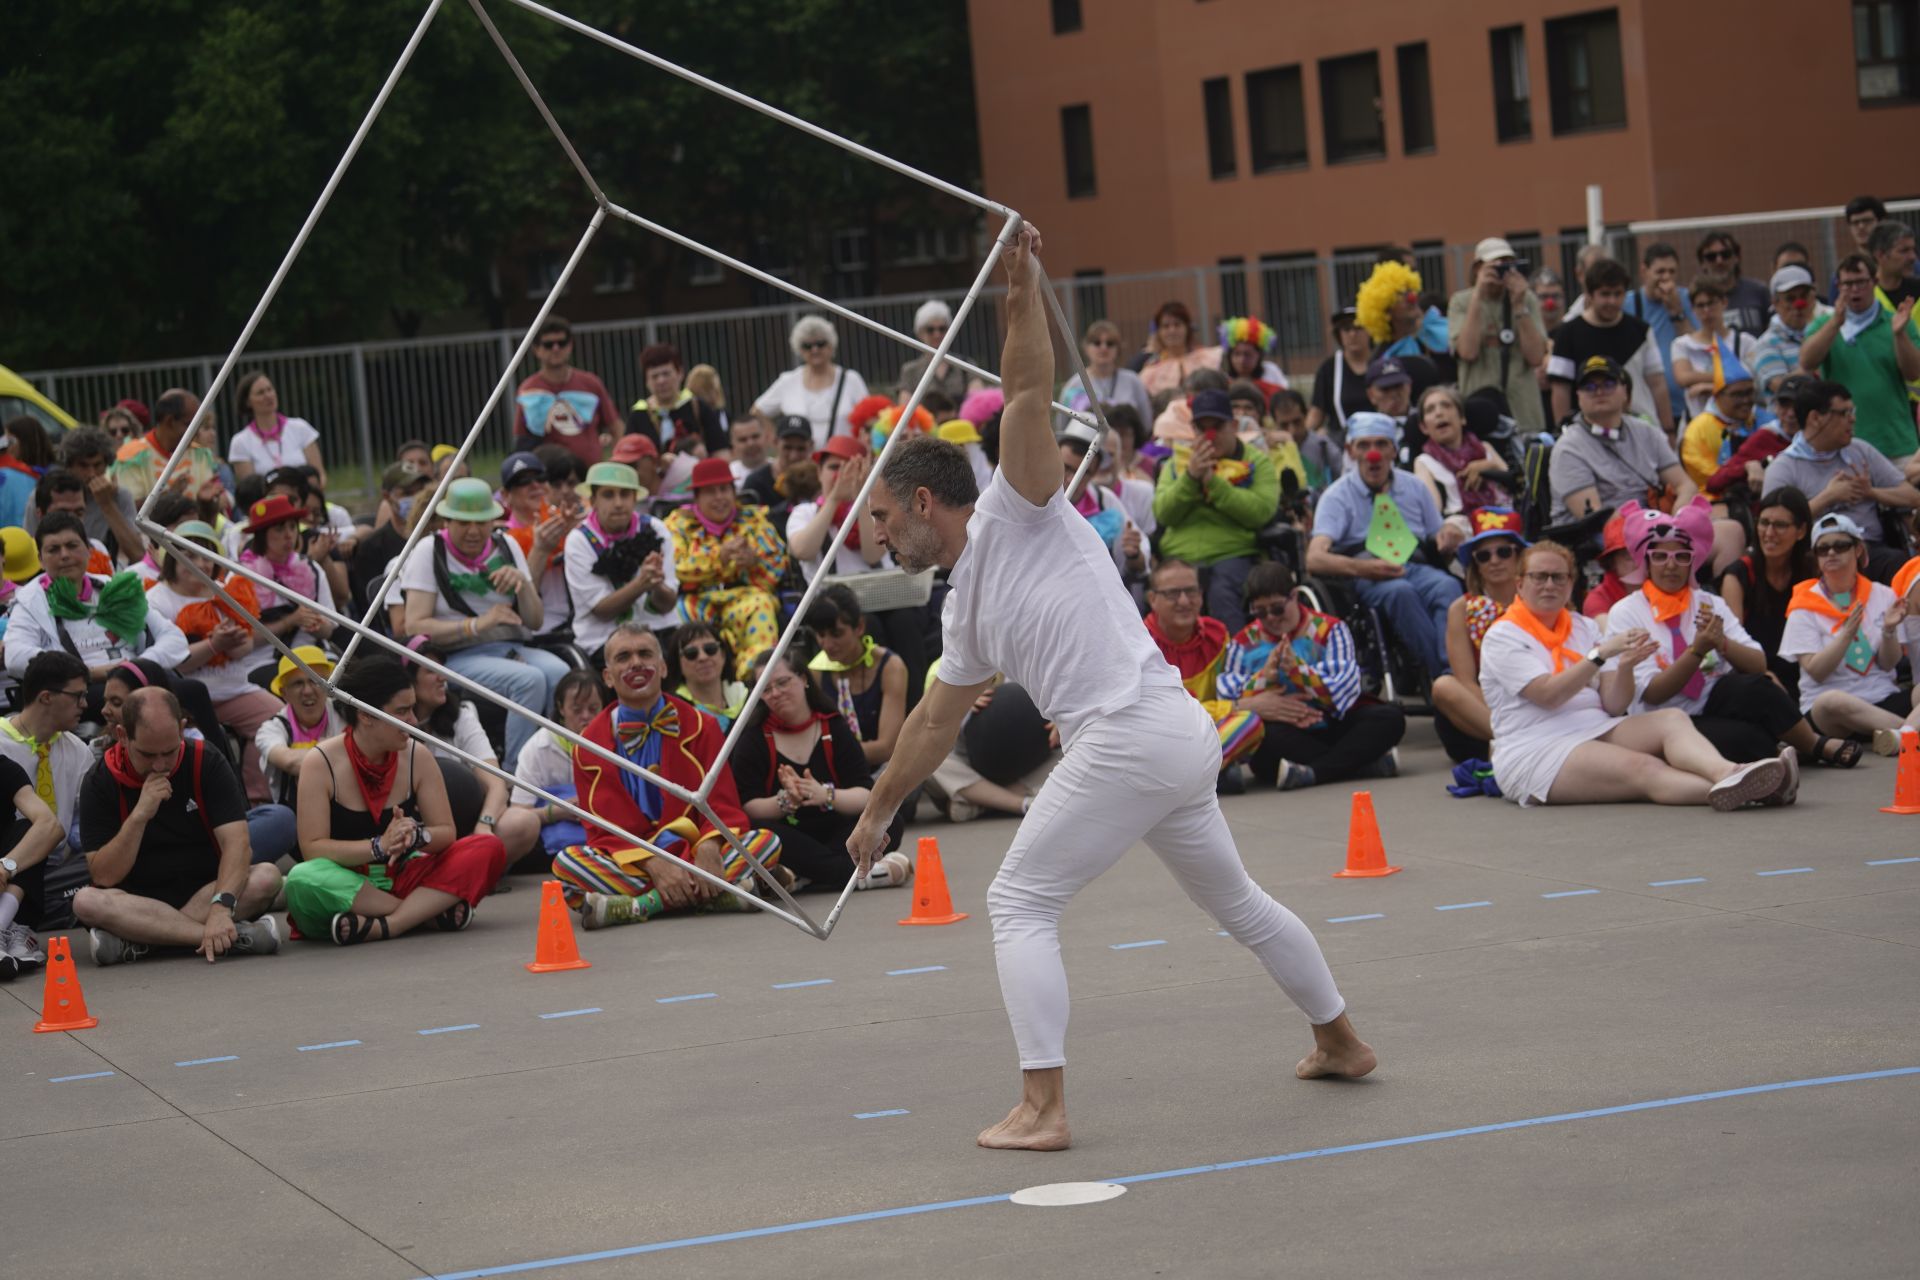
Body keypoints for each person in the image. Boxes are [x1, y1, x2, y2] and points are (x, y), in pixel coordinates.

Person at [851, 224, 1374, 1153]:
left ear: (927, 502)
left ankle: (1043, 1109)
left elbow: (1024, 389)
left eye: (885, 517)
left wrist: (1020, 279)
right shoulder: (962, 604)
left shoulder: (1021, 506)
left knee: (1018, 903)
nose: (880, 537)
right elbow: (935, 718)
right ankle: (1339, 1040)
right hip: (1167, 737)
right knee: (1240, 904)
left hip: (1136, 731)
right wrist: (880, 808)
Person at [1478, 541, 1791, 809]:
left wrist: (1625, 665)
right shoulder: (1503, 635)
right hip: (1537, 746)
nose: (1549, 584)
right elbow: (1548, 694)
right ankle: (1754, 793)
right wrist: (1600, 655)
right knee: (1643, 767)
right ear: (1520, 584)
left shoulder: (1582, 626)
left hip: (1596, 726)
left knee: (1671, 719)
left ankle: (1728, 772)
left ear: (1571, 583)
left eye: (1558, 577)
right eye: (1539, 576)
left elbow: (1614, 705)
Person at [552, 624, 785, 929]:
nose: (636, 662)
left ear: (662, 668)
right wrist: (653, 862)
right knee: (566, 863)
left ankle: (640, 906)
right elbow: (601, 831)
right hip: (635, 862)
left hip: (694, 849)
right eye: (623, 657)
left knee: (766, 843)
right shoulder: (587, 746)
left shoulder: (704, 726)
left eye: (645, 654)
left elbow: (723, 805)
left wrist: (709, 847)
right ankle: (718, 895)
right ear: (608, 677)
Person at [1605, 499, 1847, 767]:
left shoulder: (1708, 602)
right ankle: (1776, 753)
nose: (1671, 565)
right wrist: (1697, 651)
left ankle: (1813, 744)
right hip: (1663, 716)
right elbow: (1652, 693)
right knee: (1747, 740)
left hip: (1711, 698)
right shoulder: (1626, 612)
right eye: (1660, 557)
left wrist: (1721, 643)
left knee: (1759, 686)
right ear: (1646, 563)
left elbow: (1757, 663)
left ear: (1692, 562)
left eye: (1681, 556)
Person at [285, 656, 506, 945]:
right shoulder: (320, 762)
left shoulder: (417, 754)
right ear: (366, 715)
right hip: (348, 884)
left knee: (488, 847)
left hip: (404, 876)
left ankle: (390, 925)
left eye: (413, 709)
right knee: (302, 879)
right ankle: (426, 914)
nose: (414, 721)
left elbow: (445, 832)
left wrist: (415, 836)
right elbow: (313, 850)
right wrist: (379, 846)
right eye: (403, 712)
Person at [73, 687, 283, 965]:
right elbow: (104, 875)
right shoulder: (100, 780)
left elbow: (237, 846)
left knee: (267, 876)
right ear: (122, 736)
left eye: (169, 752)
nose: (160, 765)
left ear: (182, 729)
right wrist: (139, 816)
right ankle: (222, 938)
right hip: (138, 899)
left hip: (206, 891)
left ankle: (146, 941)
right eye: (148, 755)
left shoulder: (206, 760)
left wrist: (221, 908)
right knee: (86, 901)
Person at [399, 477, 570, 768]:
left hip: (510, 647)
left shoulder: (507, 545)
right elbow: (413, 626)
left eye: (481, 522)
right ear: (447, 521)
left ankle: (555, 765)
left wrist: (523, 584)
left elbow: (535, 620)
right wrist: (477, 625)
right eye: (464, 522)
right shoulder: (429, 550)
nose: (474, 531)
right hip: (453, 655)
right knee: (529, 681)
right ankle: (516, 774)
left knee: (561, 672)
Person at [730, 644, 907, 892]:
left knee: (890, 821)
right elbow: (747, 805)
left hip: (837, 830)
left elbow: (866, 793)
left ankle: (805, 877)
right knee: (762, 834)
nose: (776, 693)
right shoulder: (753, 737)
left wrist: (826, 795)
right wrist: (785, 801)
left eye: (782, 683)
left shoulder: (832, 726)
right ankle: (857, 874)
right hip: (791, 834)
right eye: (766, 689)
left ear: (803, 679)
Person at [1218, 561, 1405, 790]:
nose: (1271, 618)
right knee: (1265, 743)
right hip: (1285, 731)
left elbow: (1344, 690)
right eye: (1260, 611)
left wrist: (1299, 673)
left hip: (1332, 721)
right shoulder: (1243, 643)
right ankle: (1360, 764)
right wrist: (1264, 679)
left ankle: (1316, 772)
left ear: (1294, 596)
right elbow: (1227, 697)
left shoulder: (1330, 629)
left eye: (1277, 608)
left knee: (1390, 718)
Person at [1307, 412, 1462, 682]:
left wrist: (1449, 533)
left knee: (1449, 587)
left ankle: (1454, 668)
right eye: (1364, 445)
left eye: (1381, 444)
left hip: (1416, 566)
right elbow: (1314, 558)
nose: (1373, 454)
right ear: (1350, 451)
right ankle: (1443, 679)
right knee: (1401, 593)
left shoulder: (1414, 487)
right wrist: (1363, 568)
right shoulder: (1337, 496)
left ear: (1393, 449)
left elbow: (1439, 531)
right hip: (1369, 576)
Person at [143, 520, 282, 802]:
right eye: (189, 555)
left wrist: (234, 643)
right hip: (184, 698)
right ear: (171, 558)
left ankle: (257, 797)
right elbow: (171, 662)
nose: (199, 564)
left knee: (278, 719)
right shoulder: (155, 600)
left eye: (206, 555)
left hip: (234, 690)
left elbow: (245, 648)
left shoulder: (225, 591)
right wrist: (213, 644)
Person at [5, 514, 189, 697]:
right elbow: (15, 657)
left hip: (135, 677)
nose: (64, 555)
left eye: (72, 546)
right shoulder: (29, 601)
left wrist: (136, 667)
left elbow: (174, 639)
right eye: (53, 549)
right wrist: (84, 672)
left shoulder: (112, 588)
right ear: (40, 559)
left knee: (193, 691)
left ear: (88, 550)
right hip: (81, 690)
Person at [1780, 513, 1920, 750]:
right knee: (1832, 702)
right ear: (1816, 558)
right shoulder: (1803, 604)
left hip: (1881, 698)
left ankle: (1901, 735)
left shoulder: (1882, 594)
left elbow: (1888, 664)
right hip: (1834, 712)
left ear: (1857, 550)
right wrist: (1846, 635)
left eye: (1840, 546)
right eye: (1823, 549)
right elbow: (1816, 671)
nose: (1831, 553)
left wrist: (1888, 630)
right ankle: (1910, 733)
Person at [1762, 379, 1920, 581]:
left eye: (1851, 412)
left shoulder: (1860, 450)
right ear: (1815, 418)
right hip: (1819, 553)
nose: (1852, 420)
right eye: (1844, 413)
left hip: (1870, 549)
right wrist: (1828, 497)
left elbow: (1913, 497)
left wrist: (1871, 492)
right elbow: (1773, 525)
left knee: (1903, 567)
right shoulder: (1783, 467)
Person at [404, 642, 542, 869]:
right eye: (430, 670)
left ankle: (459, 873)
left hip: (469, 829)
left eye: (442, 669)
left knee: (524, 822)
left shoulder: (462, 715)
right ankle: (462, 874)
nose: (442, 677)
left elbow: (496, 783)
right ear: (409, 679)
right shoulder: (391, 723)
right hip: (422, 835)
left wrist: (484, 825)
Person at [1151, 388, 1279, 632]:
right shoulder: (1178, 463)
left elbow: (1261, 511)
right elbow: (1163, 512)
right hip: (1181, 556)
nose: (1210, 436)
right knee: (1171, 595)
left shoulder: (1257, 462)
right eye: (1202, 428)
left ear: (1233, 425)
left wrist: (1214, 483)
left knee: (1222, 593)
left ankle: (1231, 661)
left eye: (1217, 427)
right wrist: (1190, 478)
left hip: (1232, 554)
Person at [1140, 559, 1263, 779]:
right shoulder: (1138, 643)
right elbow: (1160, 714)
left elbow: (1234, 690)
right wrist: (1232, 706)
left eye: (1191, 591)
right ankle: (1208, 775)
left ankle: (1189, 778)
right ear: (1152, 599)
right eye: (1172, 594)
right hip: (1160, 738)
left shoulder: (1217, 636)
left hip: (1204, 734)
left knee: (1250, 723)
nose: (1184, 601)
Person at [0, 652, 90, 954]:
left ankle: (16, 926)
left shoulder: (79, 751)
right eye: (77, 696)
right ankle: (17, 925)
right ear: (46, 697)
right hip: (6, 862)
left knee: (99, 869)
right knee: (27, 828)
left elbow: (78, 832)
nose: (85, 706)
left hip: (51, 871)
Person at [666, 457, 787, 678]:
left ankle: (754, 679)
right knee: (682, 616)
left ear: (734, 492)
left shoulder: (753, 519)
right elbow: (675, 569)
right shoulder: (678, 524)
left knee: (761, 605)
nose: (719, 497)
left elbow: (777, 564)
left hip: (744, 596)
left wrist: (754, 562)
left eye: (725, 489)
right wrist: (717, 558)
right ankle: (701, 682)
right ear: (697, 497)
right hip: (697, 598)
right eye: (710, 491)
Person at [1799, 256, 1920, 463]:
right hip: (1843, 445)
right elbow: (1807, 362)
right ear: (1838, 286)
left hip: (1895, 444)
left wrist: (1899, 335)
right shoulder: (1824, 324)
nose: (1854, 289)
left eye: (1861, 282)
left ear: (1874, 282)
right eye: (1847, 284)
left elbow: (1914, 373)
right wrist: (1835, 323)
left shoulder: (1897, 321)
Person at [1548, 356, 1696, 525]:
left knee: (1728, 529)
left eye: (1608, 384)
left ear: (1625, 391)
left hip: (1658, 526)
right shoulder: (1568, 448)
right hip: (1600, 537)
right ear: (1578, 396)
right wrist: (1656, 527)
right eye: (1589, 387)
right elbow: (1594, 519)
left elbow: (1685, 485)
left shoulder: (1647, 431)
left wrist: (1679, 516)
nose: (1599, 392)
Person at [1430, 508, 1527, 764]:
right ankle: (1519, 742)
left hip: (1536, 699)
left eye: (1504, 552)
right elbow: (1466, 681)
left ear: (1520, 557)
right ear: (1476, 564)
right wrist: (1508, 717)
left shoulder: (1539, 602)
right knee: (1444, 686)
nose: (1494, 561)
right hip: (1484, 715)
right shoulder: (1461, 609)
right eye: (1484, 556)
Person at [563, 461, 676, 664]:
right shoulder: (579, 540)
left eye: (625, 494)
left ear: (634, 499)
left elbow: (667, 605)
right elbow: (602, 611)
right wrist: (641, 584)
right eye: (608, 495)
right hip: (604, 641)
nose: (618, 503)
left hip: (660, 632)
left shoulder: (655, 529)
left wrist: (657, 583)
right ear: (593, 500)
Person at [1546, 258, 1672, 432]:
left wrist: (1669, 430)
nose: (1612, 301)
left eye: (1618, 294)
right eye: (1605, 294)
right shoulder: (1567, 333)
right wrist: (1563, 432)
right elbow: (1560, 389)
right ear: (1589, 295)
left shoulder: (1641, 331)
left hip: (1640, 430)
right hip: (1587, 433)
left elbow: (1657, 383)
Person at [1721, 485, 1817, 698]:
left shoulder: (1812, 571)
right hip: (1758, 676)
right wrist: (1764, 675)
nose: (1769, 533)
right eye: (1764, 523)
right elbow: (1733, 645)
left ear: (1801, 531)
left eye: (1780, 525)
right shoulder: (1738, 575)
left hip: (1808, 670)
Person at [1448, 237, 1548, 431]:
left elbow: (1536, 357)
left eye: (1508, 264)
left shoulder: (1526, 298)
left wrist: (1519, 305)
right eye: (1495, 265)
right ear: (1478, 268)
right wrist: (1479, 293)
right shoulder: (1461, 301)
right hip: (1480, 409)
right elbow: (1468, 352)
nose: (1502, 271)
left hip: (1523, 410)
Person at [804, 583, 909, 767]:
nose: (827, 644)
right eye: (821, 635)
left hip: (882, 768)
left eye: (836, 634)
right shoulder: (815, 672)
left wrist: (830, 752)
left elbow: (887, 748)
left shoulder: (890, 667)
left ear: (859, 626)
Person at [507, 669, 604, 856]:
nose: (585, 716)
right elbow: (518, 816)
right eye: (576, 709)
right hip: (549, 848)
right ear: (560, 708)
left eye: (593, 709)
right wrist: (557, 812)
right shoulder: (536, 748)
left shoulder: (615, 741)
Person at [513, 315, 622, 469]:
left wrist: (616, 461)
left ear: (570, 346)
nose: (556, 348)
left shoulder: (590, 383)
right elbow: (522, 438)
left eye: (561, 343)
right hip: (549, 476)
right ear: (536, 350)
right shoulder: (529, 389)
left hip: (590, 472)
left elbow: (615, 426)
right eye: (548, 344)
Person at [235, 494, 338, 650]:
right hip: (264, 661)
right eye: (279, 529)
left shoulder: (312, 568)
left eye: (292, 526)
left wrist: (317, 626)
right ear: (262, 535)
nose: (289, 535)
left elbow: (329, 629)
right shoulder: (241, 575)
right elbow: (243, 641)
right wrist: (290, 621)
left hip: (313, 654)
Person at [754, 316, 871, 448]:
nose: (814, 350)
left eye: (820, 344)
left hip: (843, 461)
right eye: (807, 346)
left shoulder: (851, 379)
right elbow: (757, 411)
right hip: (800, 463)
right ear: (800, 350)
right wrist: (775, 437)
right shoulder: (787, 381)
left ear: (831, 346)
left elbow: (870, 417)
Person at [1415, 384, 1511, 537]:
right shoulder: (1424, 462)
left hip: (1502, 517)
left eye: (1446, 405)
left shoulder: (1485, 448)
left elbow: (1514, 485)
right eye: (1430, 410)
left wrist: (1488, 467)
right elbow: (1432, 511)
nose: (1439, 413)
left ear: (1462, 418)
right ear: (1424, 427)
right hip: (1461, 529)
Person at [787, 437, 888, 578]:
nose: (842, 475)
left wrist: (862, 501)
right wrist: (834, 498)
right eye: (834, 467)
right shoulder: (805, 512)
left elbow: (874, 555)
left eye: (850, 467)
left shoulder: (878, 509)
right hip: (828, 596)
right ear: (819, 473)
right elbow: (803, 552)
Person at [41, 426, 145, 564]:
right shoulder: (46, 494)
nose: (92, 474)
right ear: (68, 466)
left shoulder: (119, 496)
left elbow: (138, 555)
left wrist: (107, 504)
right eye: (83, 466)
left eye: (97, 465)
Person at [112, 387, 226, 509]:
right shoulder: (131, 456)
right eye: (190, 424)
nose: (197, 432)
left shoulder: (200, 454)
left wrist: (209, 503)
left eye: (198, 425)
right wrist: (171, 495)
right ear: (170, 421)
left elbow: (216, 510)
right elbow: (132, 511)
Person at [256, 647, 343, 806]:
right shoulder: (269, 730)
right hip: (295, 814)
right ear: (284, 693)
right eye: (298, 683)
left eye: (315, 681)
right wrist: (338, 753)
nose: (308, 691)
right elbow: (289, 761)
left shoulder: (344, 714)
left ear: (328, 684)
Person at [1625, 242, 1697, 429]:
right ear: (1644, 271)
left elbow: (1697, 346)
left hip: (1686, 408)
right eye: (1660, 272)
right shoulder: (1629, 304)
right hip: (1646, 411)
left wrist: (1677, 312)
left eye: (1672, 272)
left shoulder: (1688, 300)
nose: (1667, 279)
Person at [1671, 278, 1760, 420]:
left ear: (1724, 302)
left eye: (1711, 303)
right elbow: (1683, 377)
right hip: (1698, 423)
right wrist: (1729, 379)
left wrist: (1708, 386)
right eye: (1700, 305)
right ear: (1693, 309)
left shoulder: (1745, 342)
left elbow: (1751, 378)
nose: (1706, 311)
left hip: (1737, 424)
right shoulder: (1682, 344)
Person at [351, 461, 431, 612]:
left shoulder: (435, 537)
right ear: (387, 496)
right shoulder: (371, 549)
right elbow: (370, 609)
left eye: (420, 492)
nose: (416, 499)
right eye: (407, 493)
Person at [1679, 349, 1761, 493]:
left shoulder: (1762, 420)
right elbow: (1707, 477)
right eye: (1737, 394)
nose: (1746, 400)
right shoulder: (1698, 430)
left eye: (1749, 392)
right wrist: (1742, 471)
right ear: (1717, 395)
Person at [627, 343, 727, 456]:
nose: (661, 381)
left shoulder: (697, 407)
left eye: (666, 374)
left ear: (680, 373)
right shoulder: (638, 415)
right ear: (646, 381)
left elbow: (721, 451)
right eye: (655, 376)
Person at [228, 371, 326, 485]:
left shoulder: (300, 428)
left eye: (270, 389)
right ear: (248, 402)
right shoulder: (240, 442)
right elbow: (250, 490)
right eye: (260, 393)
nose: (268, 395)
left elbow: (320, 476)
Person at [1058, 319, 1154, 432]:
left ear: (1118, 349)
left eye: (1110, 343)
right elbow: (1062, 428)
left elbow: (1146, 424)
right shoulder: (1073, 385)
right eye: (1097, 342)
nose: (1103, 348)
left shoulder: (1133, 381)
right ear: (1086, 348)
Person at [1750, 268, 1831, 398]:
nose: (1799, 304)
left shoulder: (1826, 332)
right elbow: (1781, 387)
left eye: (1803, 296)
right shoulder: (1766, 344)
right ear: (1775, 303)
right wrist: (1812, 362)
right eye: (1790, 298)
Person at [1305, 306, 1373, 444]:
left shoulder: (1383, 362)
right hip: (1342, 447)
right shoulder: (1329, 369)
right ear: (1339, 334)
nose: (1353, 334)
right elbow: (1316, 414)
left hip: (1380, 442)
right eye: (1347, 329)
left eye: (1358, 327)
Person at [897, 300, 979, 407]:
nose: (937, 334)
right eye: (930, 330)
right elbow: (904, 410)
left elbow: (978, 404)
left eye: (942, 329)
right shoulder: (910, 371)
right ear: (920, 333)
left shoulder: (966, 365)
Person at [1693, 231, 1773, 339]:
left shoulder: (1758, 291)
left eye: (1725, 254)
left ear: (1737, 257)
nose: (1719, 261)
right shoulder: (1696, 300)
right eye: (1711, 257)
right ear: (1702, 263)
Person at [1137, 301, 1219, 397]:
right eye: (1166, 326)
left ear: (1187, 328)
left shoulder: (1207, 358)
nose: (1172, 330)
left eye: (1177, 324)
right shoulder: (1151, 371)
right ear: (1158, 332)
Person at [672, 621, 746, 726]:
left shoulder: (749, 698)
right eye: (691, 653)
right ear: (677, 662)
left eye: (710, 649)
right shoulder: (673, 712)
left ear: (723, 655)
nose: (703, 657)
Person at [1869, 220, 1920, 310]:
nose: (1913, 257)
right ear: (1880, 255)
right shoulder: (1864, 296)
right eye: (1904, 251)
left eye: (1913, 250)